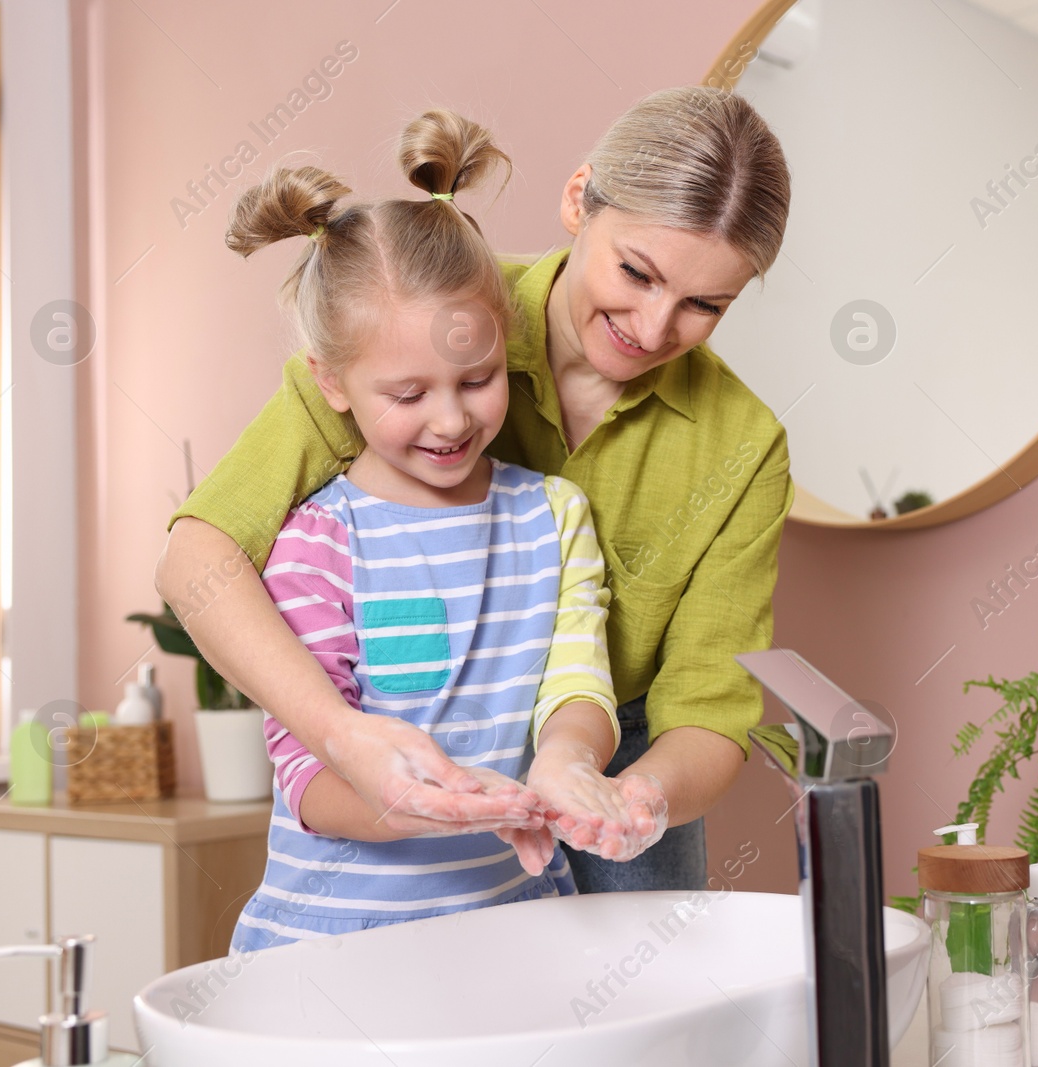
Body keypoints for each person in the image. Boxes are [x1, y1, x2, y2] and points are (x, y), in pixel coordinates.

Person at [158, 86, 794, 893]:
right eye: (636, 271)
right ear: (578, 200)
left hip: (620, 763)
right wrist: (341, 736)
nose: (654, 325)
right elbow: (197, 556)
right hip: (401, 753)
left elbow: (709, 706)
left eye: (706, 304)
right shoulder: (421, 309)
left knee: (640, 1005)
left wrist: (629, 798)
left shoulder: (741, 445)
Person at [225, 111, 665, 951]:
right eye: (408, 393)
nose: (453, 418)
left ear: (511, 344)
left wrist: (568, 760)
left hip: (517, 935)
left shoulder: (552, 516)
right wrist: (425, 809)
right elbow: (309, 774)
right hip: (330, 946)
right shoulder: (316, 543)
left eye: (479, 377)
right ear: (333, 383)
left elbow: (578, 679)